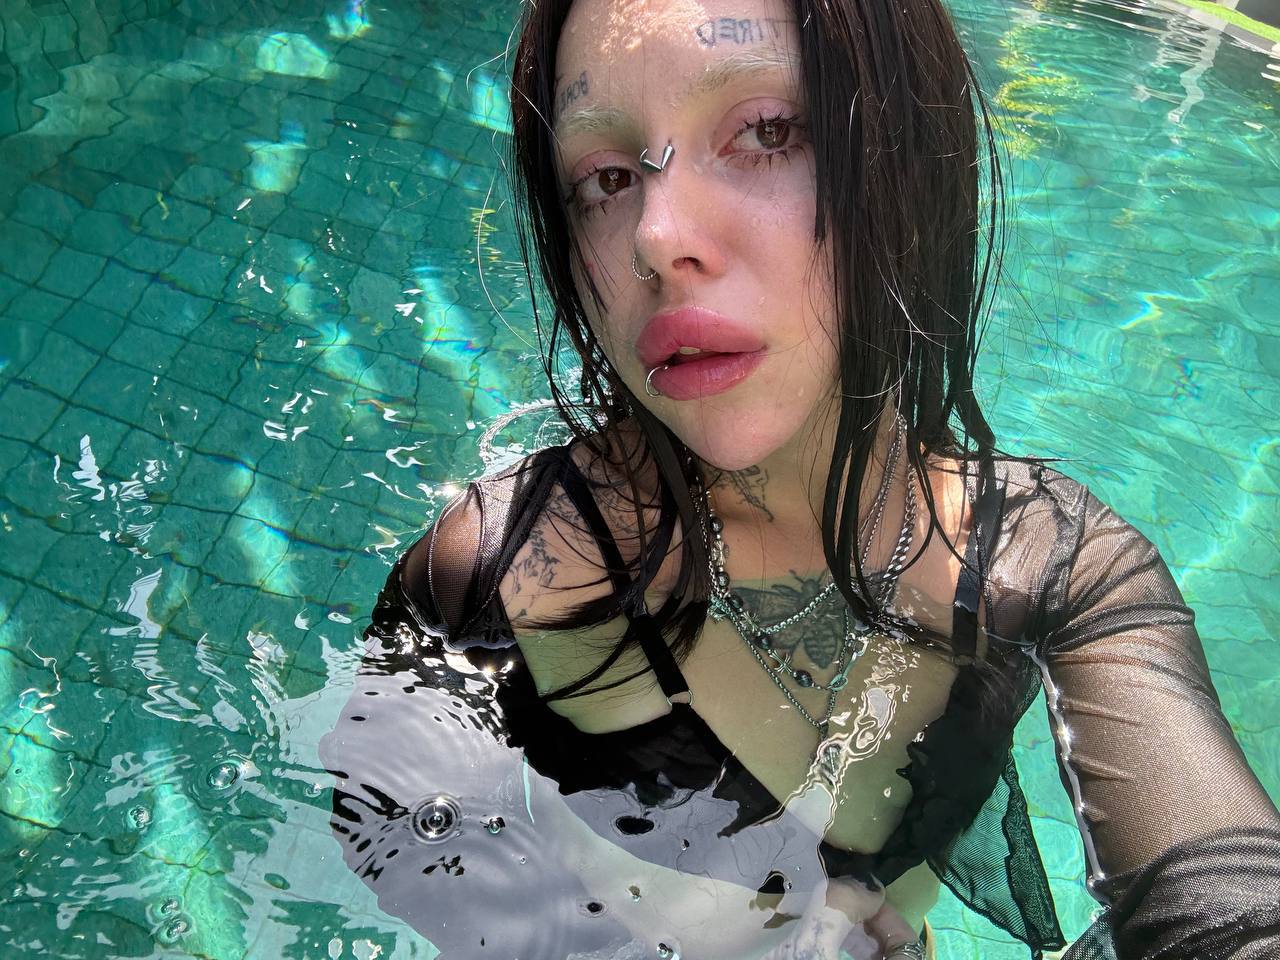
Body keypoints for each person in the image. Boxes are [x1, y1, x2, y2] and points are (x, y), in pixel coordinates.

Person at [321, 0, 1280, 956]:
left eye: (767, 131)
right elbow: (384, 822)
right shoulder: (506, 566)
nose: (656, 234)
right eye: (606, 178)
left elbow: (1228, 904)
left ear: (911, 163)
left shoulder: (1050, 569)